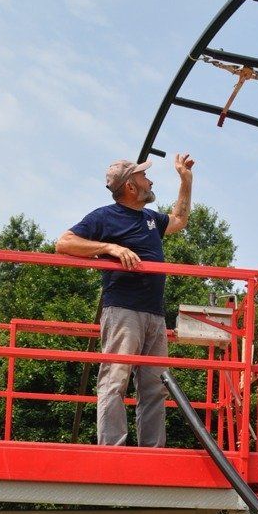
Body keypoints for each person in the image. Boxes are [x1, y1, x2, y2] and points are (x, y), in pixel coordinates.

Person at [56, 153, 194, 446]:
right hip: (123, 311)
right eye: (144, 176)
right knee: (115, 379)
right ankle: (112, 450)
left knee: (156, 386)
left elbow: (180, 219)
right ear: (131, 186)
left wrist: (186, 181)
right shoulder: (104, 217)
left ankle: (152, 452)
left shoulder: (150, 219)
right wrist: (110, 248)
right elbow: (63, 242)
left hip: (154, 314)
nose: (150, 180)